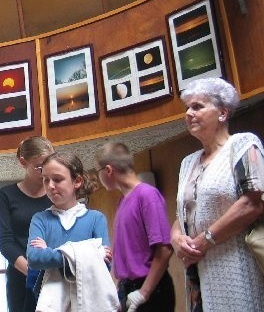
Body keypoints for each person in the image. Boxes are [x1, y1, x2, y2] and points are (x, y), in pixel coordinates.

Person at [170, 77, 264, 311]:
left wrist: (205, 240)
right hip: (196, 272)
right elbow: (181, 216)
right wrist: (176, 239)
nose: (189, 113)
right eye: (187, 108)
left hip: (236, 263)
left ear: (222, 113)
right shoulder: (187, 163)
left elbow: (252, 203)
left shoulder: (243, 144)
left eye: (197, 106)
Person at [27, 151, 118, 311]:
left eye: (57, 179)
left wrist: (51, 253)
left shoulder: (96, 219)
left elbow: (105, 264)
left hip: (90, 299)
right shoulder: (40, 219)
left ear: (77, 181)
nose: (50, 186)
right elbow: (35, 258)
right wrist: (90, 252)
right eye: (45, 180)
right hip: (50, 302)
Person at [95, 142, 175, 312]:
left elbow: (165, 249)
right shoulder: (123, 201)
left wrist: (143, 293)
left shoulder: (146, 195)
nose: (98, 178)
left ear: (108, 170)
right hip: (129, 289)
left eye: (98, 172)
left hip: (151, 290)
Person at [0, 136, 54, 312]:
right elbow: (6, 243)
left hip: (54, 275)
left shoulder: (56, 193)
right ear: (23, 162)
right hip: (20, 278)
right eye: (39, 166)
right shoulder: (7, 194)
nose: (45, 172)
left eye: (50, 164)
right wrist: (32, 273)